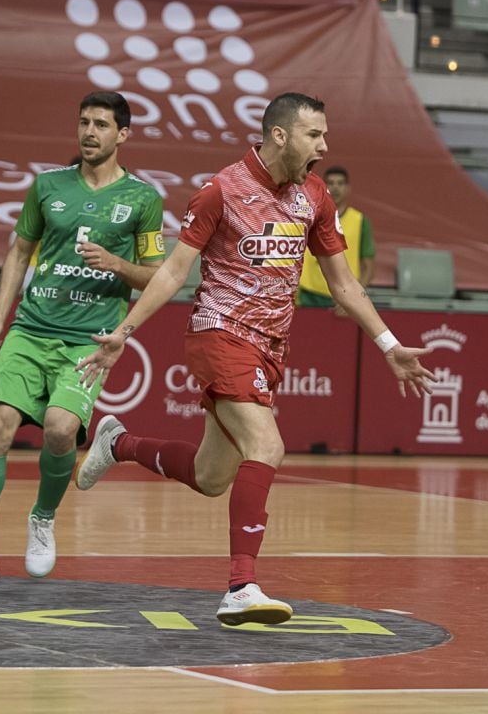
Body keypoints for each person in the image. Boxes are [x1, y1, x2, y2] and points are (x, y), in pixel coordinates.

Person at [73, 92, 434, 625]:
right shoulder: (221, 191)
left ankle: (117, 443)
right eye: (315, 135)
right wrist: (125, 331)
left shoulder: (315, 197)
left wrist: (388, 345)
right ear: (281, 135)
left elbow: (343, 283)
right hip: (218, 333)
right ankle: (241, 586)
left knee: (211, 475)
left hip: (270, 346)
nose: (325, 146)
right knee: (267, 444)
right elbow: (174, 272)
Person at [0, 91, 165, 584]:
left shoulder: (144, 199)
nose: (90, 131)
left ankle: (42, 518)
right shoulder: (46, 186)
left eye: (102, 124)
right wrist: (0, 317)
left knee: (62, 429)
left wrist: (117, 265)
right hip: (31, 327)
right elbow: (19, 253)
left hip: (89, 337)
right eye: (84, 122)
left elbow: (157, 276)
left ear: (123, 134)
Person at [297, 165, 375, 313]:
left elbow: (369, 267)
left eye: (340, 183)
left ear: (348, 188)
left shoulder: (360, 221)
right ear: (323, 187)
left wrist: (355, 299)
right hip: (308, 294)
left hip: (342, 297)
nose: (335, 188)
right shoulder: (308, 216)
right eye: (331, 183)